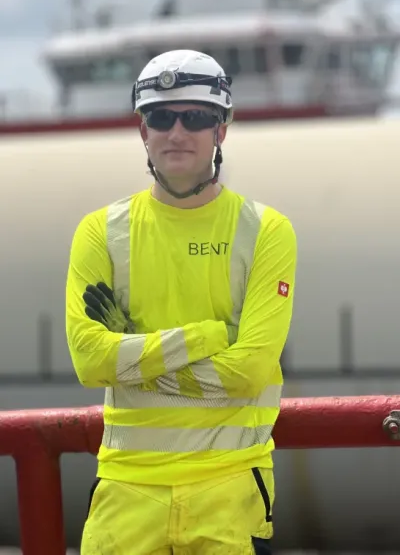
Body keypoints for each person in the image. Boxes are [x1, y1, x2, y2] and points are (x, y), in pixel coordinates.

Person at [65, 49, 297, 554]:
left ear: (220, 131)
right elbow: (89, 361)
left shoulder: (266, 231)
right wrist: (206, 337)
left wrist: (132, 360)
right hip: (126, 491)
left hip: (229, 488)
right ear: (142, 130)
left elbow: (248, 372)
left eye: (194, 117)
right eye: (160, 117)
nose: (176, 132)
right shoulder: (101, 232)